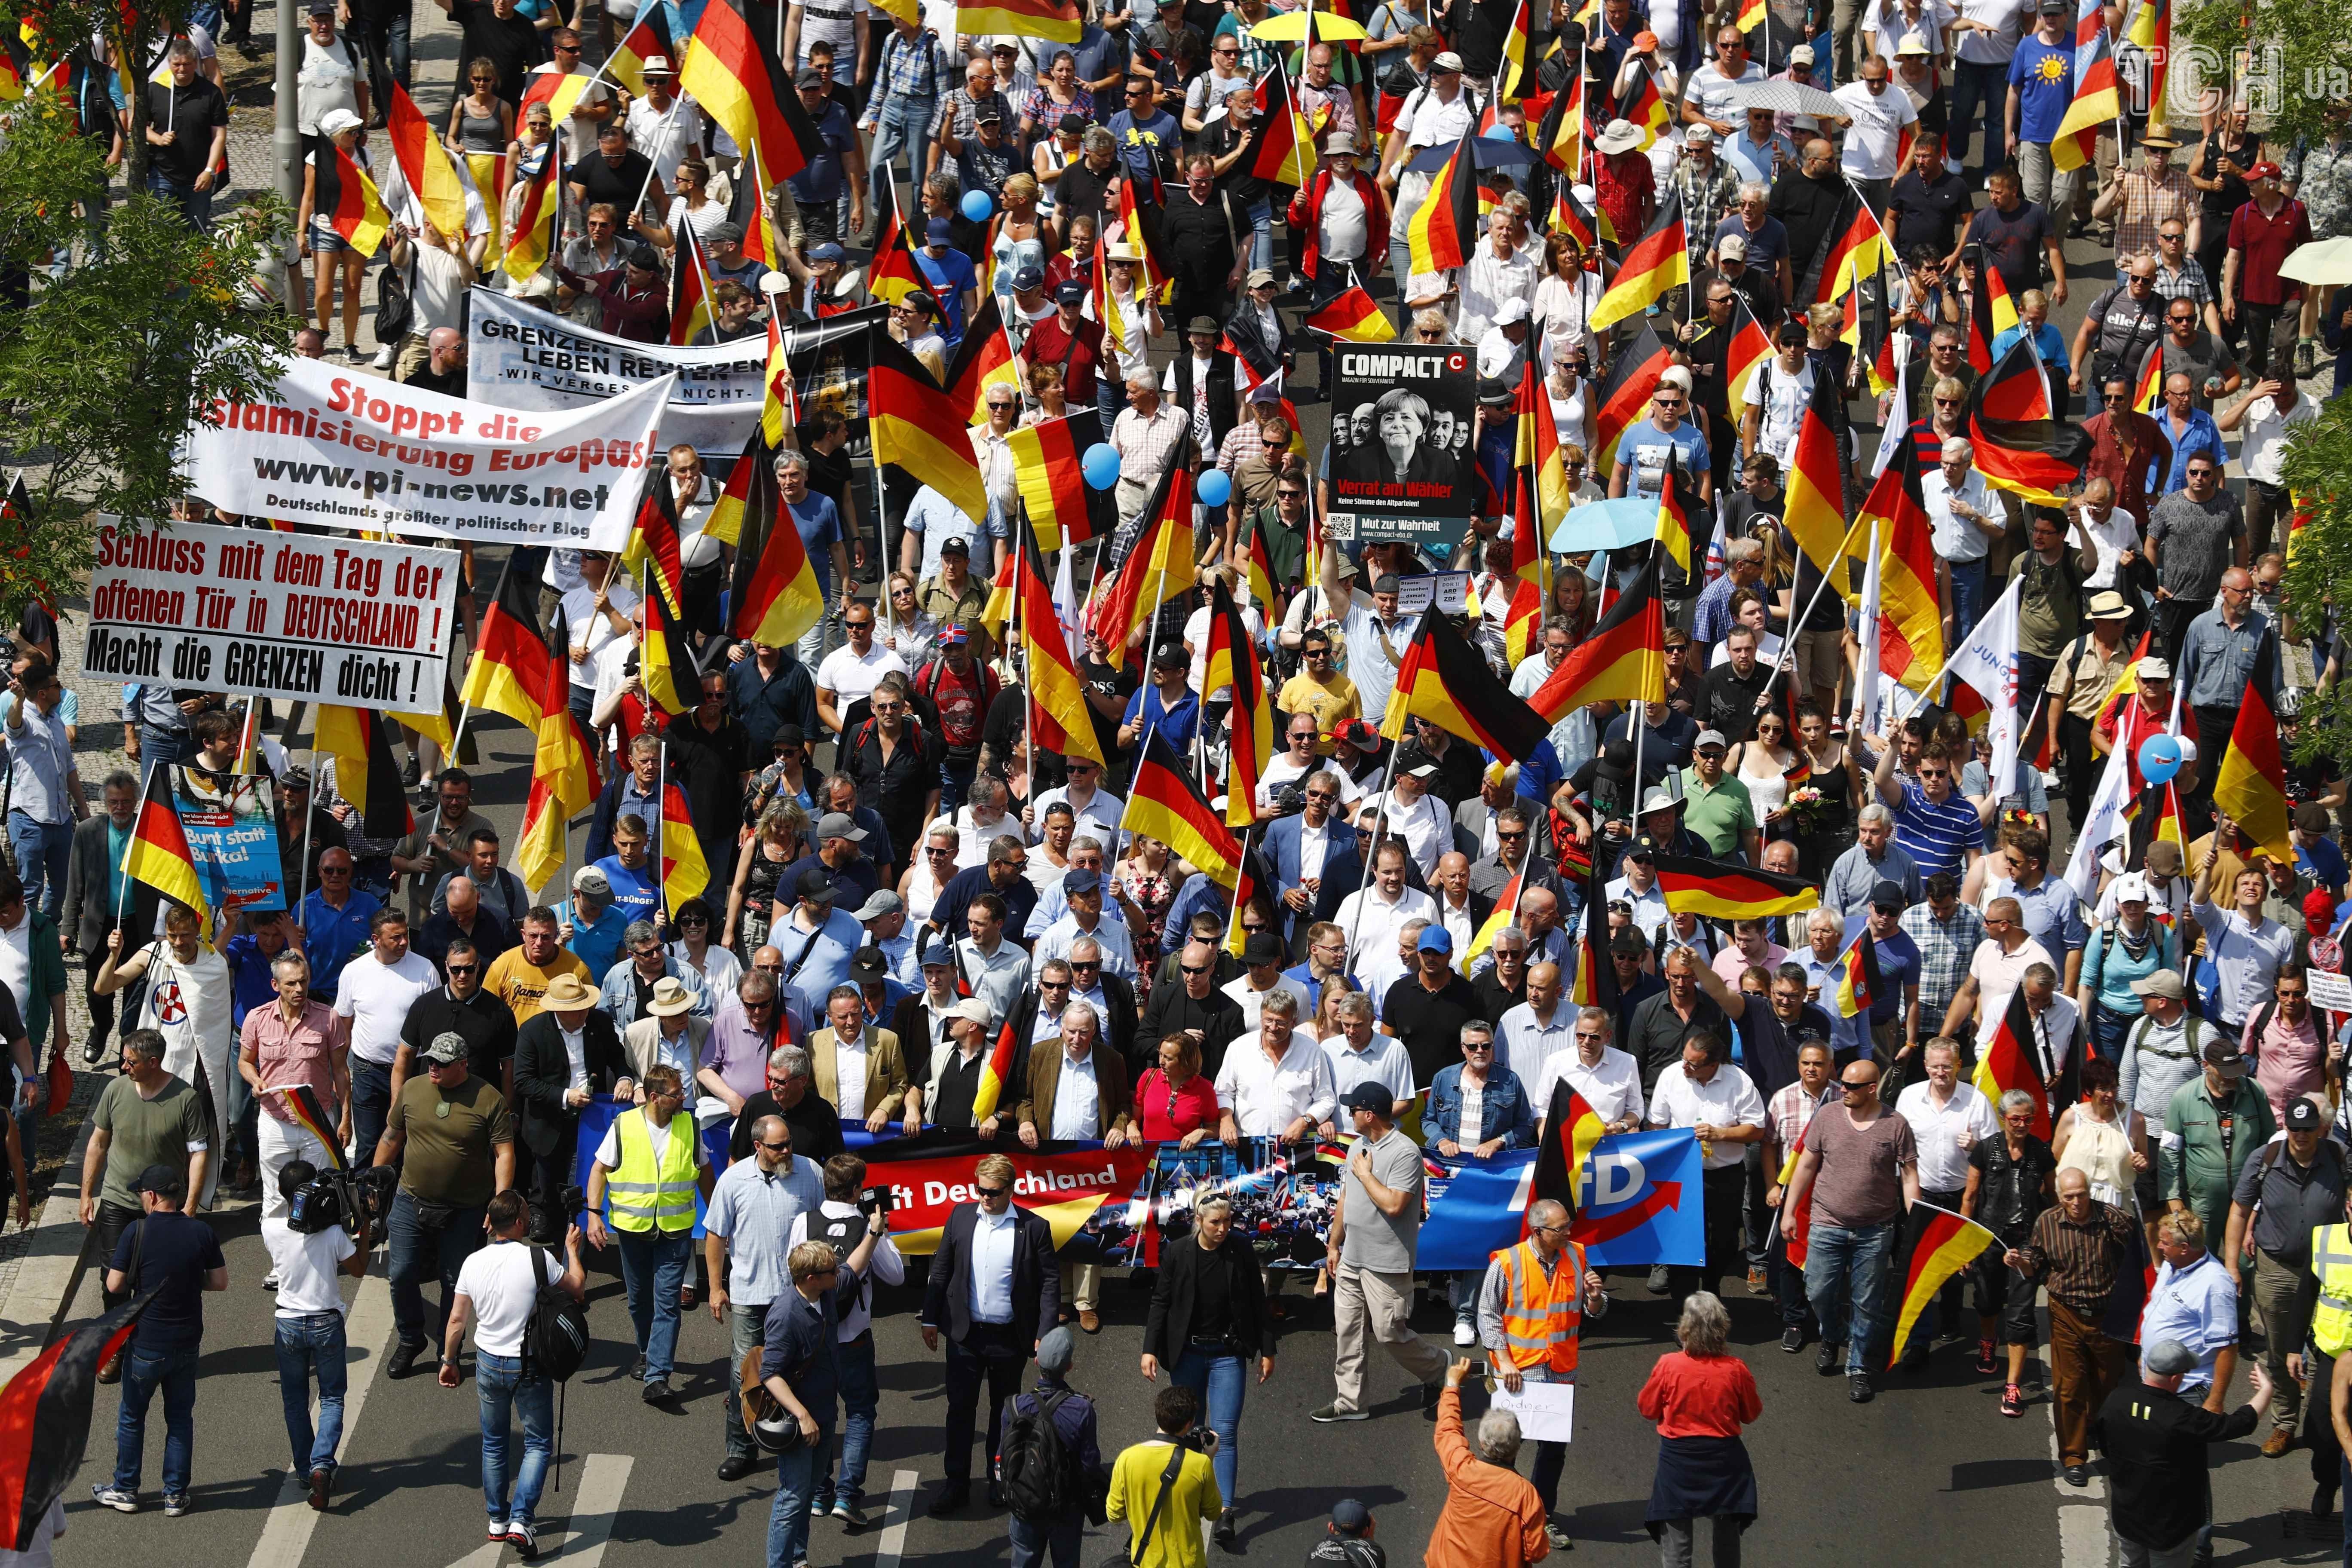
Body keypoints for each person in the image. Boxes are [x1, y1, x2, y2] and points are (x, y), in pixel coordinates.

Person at [439, 1190, 587, 1560]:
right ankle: (522, 1521)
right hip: (530, 1364)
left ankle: (497, 1520)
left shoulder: (473, 1262)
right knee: (538, 1444)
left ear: (492, 1223)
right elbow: (578, 1289)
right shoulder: (539, 1259)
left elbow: (457, 1319)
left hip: (488, 1363)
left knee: (494, 1443)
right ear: (520, 1222)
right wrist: (572, 1250)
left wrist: (449, 1360)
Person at [374, 1032, 517, 1381]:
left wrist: (500, 1202)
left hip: (465, 1210)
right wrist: (373, 1182)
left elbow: (505, 1153)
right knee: (401, 1274)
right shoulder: (413, 1089)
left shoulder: (489, 1098)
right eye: (431, 1061)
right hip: (411, 1201)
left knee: (456, 1282)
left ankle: (447, 1348)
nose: (433, 1067)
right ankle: (410, 1339)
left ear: (463, 1065)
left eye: (442, 1063)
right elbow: (392, 1137)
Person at [922, 1152, 1060, 1514]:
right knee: (960, 1410)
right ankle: (956, 1483)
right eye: (979, 1190)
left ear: (1011, 1191)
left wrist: (1045, 1331)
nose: (985, 1197)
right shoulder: (961, 1217)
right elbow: (941, 1270)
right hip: (965, 1336)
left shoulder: (1035, 1228)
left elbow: (1049, 1282)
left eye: (993, 1192)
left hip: (1009, 1339)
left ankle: (1000, 1479)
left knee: (1005, 1413)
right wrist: (930, 1319)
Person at [89, 1165, 227, 1516]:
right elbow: (220, 1282)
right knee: (180, 1418)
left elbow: (115, 1286)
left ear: (151, 1196)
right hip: (187, 1341)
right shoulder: (201, 1232)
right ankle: (175, 1496)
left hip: (147, 1343)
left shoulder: (137, 1232)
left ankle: (126, 1489)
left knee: (133, 1417)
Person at [1140, 1190, 1270, 1547]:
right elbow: (1161, 1301)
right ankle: (1196, 1496)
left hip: (1227, 1354)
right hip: (1188, 1353)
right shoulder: (1178, 1252)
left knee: (1224, 1433)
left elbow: (1258, 1302)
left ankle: (1226, 1512)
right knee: (1191, 1430)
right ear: (1199, 1221)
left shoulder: (1240, 1248)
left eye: (1228, 1221)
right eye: (1216, 1222)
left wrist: (1267, 1350)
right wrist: (1149, 1349)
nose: (1224, 1228)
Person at [1313, 1084, 1448, 1424]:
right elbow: (1345, 1199)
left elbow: (1394, 1204)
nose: (1350, 1115)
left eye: (1354, 1110)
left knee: (1390, 1333)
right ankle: (1350, 1402)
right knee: (1347, 1330)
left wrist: (1365, 1174)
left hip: (1387, 1262)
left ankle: (1440, 1367)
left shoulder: (1405, 1153)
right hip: (1352, 1258)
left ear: (1369, 1115)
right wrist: (1333, 1244)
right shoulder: (1357, 1146)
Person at [784, 1152, 908, 1523]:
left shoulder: (803, 1223)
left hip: (813, 1339)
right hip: (853, 1338)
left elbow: (787, 1270)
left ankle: (820, 1495)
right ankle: (848, 1497)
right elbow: (897, 1276)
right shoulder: (867, 1229)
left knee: (820, 1417)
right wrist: (880, 1232)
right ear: (858, 1191)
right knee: (859, 1413)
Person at [1476, 1197, 1605, 1550]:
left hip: (1561, 1371)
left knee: (1553, 1451)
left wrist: (1595, 1297)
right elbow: (1487, 1314)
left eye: (1568, 1226)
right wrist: (1504, 1362)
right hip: (1518, 1373)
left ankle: (1541, 1517)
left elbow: (1592, 1311)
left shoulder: (1577, 1255)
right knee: (1506, 1449)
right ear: (1538, 1231)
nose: (1568, 1232)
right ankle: (1502, 1513)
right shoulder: (1508, 1263)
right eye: (1560, 1228)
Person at [584, 1063, 715, 1405]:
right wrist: (594, 1216)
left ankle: (658, 1375)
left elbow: (704, 1172)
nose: (683, 1098)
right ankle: (646, 1350)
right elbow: (599, 1170)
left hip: (676, 1230)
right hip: (632, 1229)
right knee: (639, 1299)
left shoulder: (691, 1124)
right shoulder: (624, 1125)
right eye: (677, 1095)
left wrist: (716, 1214)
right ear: (655, 1098)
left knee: (667, 1303)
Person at [2224, 1096, 2346, 1455]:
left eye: (2308, 1129)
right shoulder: (2265, 1159)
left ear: (2320, 1129)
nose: (2301, 1136)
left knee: (2327, 1350)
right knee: (2281, 1353)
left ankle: (2324, 1422)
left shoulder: (2338, 1157)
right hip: (2276, 1270)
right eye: (2295, 1129)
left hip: (2328, 1275)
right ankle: (2285, 1423)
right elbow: (2239, 1210)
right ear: (2286, 1129)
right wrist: (2232, 1265)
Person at [759, 1224, 885, 1568]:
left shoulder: (825, 1292)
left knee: (809, 1490)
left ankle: (797, 1559)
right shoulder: (786, 1316)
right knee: (792, 1497)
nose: (838, 1272)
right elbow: (770, 1373)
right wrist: (802, 1416)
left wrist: (874, 1232)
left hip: (824, 1415)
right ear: (811, 1278)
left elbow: (853, 1268)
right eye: (832, 1269)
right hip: (800, 1422)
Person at [2012, 1167, 2141, 1486]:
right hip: (2066, 1314)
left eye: (2081, 1195)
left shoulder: (2113, 1219)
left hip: (2107, 1316)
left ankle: (2103, 1430)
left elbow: (2141, 1255)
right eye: (2069, 1197)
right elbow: (2035, 1261)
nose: (2076, 1202)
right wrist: (2021, 1263)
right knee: (2069, 1387)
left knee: (2107, 1383)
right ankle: (2073, 1456)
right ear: (2059, 1196)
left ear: (2090, 1192)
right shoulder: (2047, 1222)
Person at [2094, 1340, 2273, 1568]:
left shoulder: (2116, 1400)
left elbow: (2106, 1449)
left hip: (2127, 1516)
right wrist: (2265, 1391)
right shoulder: (2183, 1418)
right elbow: (2240, 1424)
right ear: (2176, 1378)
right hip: (2170, 1527)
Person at [261, 1156, 373, 1509]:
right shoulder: (333, 1233)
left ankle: (306, 1469)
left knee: (295, 1400)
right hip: (326, 1323)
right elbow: (358, 1269)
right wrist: (365, 1225)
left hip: (289, 1324)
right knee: (333, 1398)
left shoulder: (271, 1228)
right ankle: (324, 1463)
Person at [1637, 1291, 1762, 1568]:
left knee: (1678, 1552)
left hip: (1679, 1465)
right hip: (1725, 1464)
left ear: (1685, 1328)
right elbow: (1751, 1414)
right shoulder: (1736, 1369)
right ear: (1721, 1329)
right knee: (1728, 1542)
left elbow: (1647, 1409)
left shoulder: (1669, 1365)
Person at [511, 972, 628, 1242]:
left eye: (585, 1006)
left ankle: (577, 1238)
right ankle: (551, 1239)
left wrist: (624, 1079)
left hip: (590, 1118)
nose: (584, 1013)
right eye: (577, 1010)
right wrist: (565, 1096)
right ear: (560, 1011)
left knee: (584, 1179)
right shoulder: (532, 1031)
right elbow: (523, 1081)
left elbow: (617, 1058)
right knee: (549, 1184)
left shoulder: (599, 1023)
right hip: (548, 1121)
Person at [1001, 1325, 1106, 1568]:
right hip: (1065, 1508)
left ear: (1036, 1362)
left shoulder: (1013, 1407)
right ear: (1069, 1367)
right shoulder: (1082, 1410)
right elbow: (1090, 1463)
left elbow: (1002, 1457)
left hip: (1024, 1505)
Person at [1106, 1385, 1223, 1568]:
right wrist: (1209, 1457)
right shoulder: (1200, 1464)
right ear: (1189, 1424)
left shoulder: (1127, 1459)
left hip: (1145, 1563)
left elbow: (1114, 1514)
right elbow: (1214, 1512)